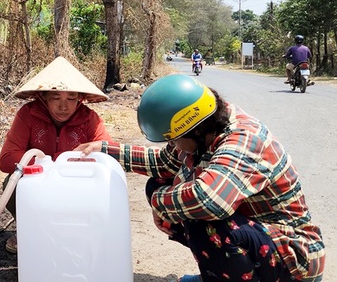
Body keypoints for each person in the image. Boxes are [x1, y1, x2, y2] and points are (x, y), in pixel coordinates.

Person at [80, 74, 325, 282]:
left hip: (293, 257)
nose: (172, 145)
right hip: (256, 237)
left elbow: (210, 201)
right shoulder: (205, 126)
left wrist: (157, 201)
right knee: (161, 185)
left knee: (202, 219)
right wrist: (104, 149)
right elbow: (163, 163)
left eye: (173, 139)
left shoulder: (244, 139)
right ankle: (224, 273)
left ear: (195, 130)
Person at [0, 56, 112, 254]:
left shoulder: (90, 119)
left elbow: (110, 153)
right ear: (43, 98)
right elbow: (7, 159)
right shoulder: (28, 114)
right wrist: (53, 161)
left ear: (80, 99)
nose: (63, 106)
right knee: (12, 183)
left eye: (71, 98)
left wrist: (94, 150)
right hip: (39, 184)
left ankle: (79, 233)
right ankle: (29, 230)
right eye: (56, 98)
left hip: (75, 186)